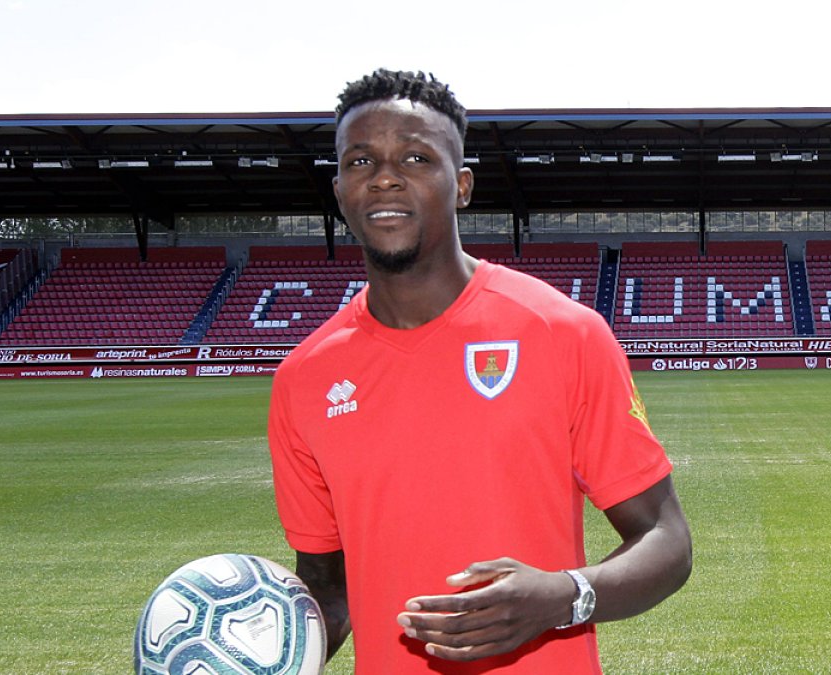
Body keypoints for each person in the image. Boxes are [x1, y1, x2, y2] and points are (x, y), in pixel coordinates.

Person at [268, 68, 692, 674]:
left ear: (461, 185)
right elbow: (327, 592)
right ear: (339, 190)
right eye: (360, 162)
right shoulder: (304, 379)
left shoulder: (562, 332)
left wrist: (562, 598)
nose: (384, 176)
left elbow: (667, 541)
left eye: (416, 157)